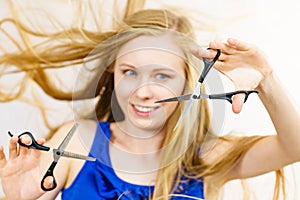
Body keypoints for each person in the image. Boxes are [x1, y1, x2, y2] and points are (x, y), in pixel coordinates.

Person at [0, 1, 299, 200]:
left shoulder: (206, 156)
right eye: (130, 72)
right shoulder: (78, 140)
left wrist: (266, 81)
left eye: (161, 76)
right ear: (113, 72)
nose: (143, 92)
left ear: (186, 79)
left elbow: (294, 147)